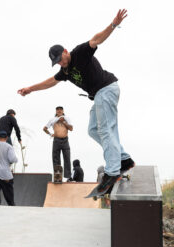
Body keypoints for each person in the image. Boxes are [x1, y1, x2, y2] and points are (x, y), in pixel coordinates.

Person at [18, 9, 135, 194]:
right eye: (57, 62)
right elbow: (50, 82)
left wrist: (113, 25)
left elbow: (97, 39)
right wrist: (30, 89)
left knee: (106, 129)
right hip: (99, 96)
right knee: (93, 130)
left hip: (106, 89)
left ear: (65, 51)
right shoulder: (64, 72)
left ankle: (112, 172)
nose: (60, 63)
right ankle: (124, 159)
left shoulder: (80, 52)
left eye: (61, 59)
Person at [43, 106, 73, 181]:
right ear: (56, 111)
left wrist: (63, 122)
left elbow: (71, 128)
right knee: (56, 158)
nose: (59, 111)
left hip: (65, 140)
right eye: (57, 110)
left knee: (67, 157)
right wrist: (50, 134)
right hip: (56, 140)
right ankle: (58, 177)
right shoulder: (52, 119)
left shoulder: (67, 118)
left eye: (60, 110)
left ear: (63, 111)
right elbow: (44, 128)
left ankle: (68, 177)